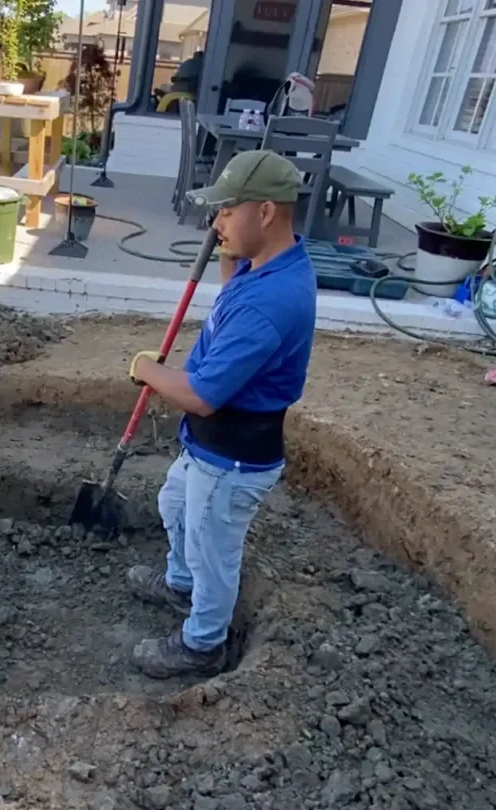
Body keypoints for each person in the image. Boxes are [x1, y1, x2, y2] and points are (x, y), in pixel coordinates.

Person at [125, 150, 317, 678]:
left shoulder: (271, 303)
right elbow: (238, 290)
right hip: (210, 446)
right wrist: (229, 254)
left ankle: (201, 642)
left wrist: (146, 368)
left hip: (232, 456)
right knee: (175, 506)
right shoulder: (275, 265)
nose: (217, 223)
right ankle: (178, 584)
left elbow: (203, 395)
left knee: (213, 549)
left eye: (228, 211)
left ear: (267, 211)